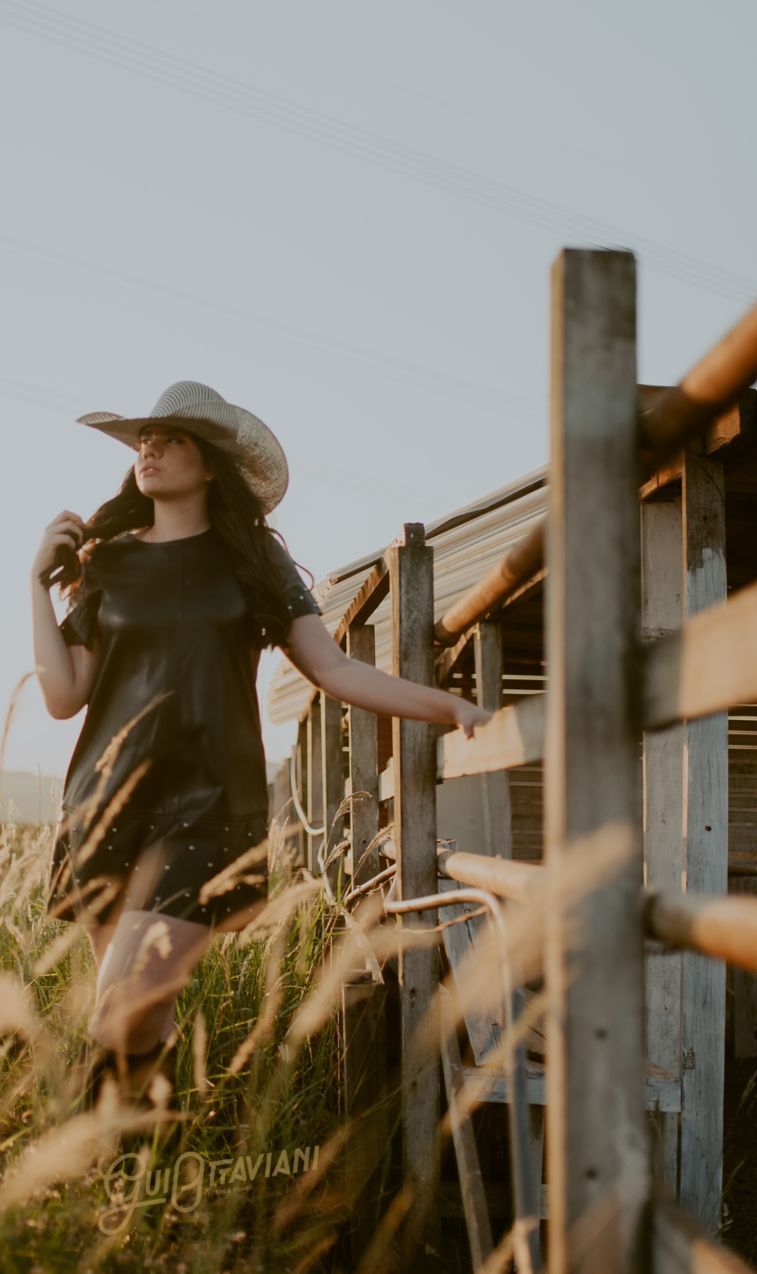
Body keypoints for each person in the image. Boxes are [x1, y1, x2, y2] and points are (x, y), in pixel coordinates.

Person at [28, 379, 492, 1108]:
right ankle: (145, 1183)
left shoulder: (251, 561)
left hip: (208, 805)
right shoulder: (108, 561)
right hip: (105, 804)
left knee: (122, 1004)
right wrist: (33, 585)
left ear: (211, 464)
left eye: (171, 438)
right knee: (140, 1014)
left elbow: (333, 669)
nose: (149, 448)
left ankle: (89, 1178)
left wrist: (445, 706)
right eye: (145, 439)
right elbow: (63, 697)